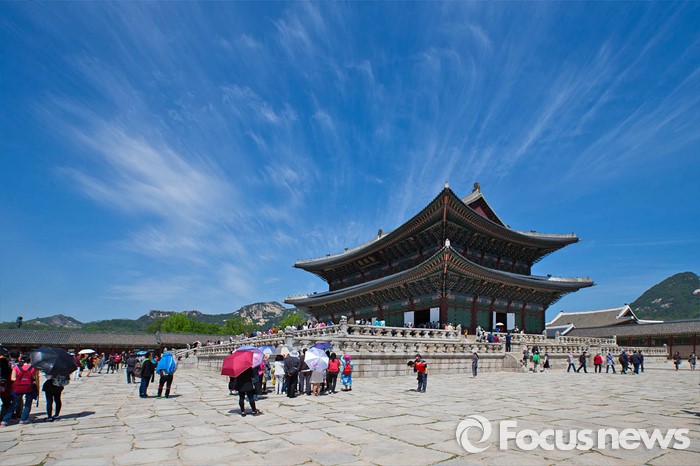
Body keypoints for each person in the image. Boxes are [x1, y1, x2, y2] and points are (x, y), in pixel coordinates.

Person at [2, 354, 40, 426]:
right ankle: (23, 419)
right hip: (29, 387)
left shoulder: (16, 367)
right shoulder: (33, 368)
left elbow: (12, 378)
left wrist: (20, 380)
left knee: (14, 404)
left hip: (18, 388)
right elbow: (35, 378)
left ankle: (5, 420)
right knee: (28, 404)